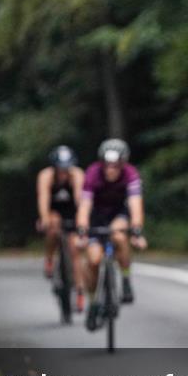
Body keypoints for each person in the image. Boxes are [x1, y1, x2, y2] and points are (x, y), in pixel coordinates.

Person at [75, 138, 148, 330]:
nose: (111, 170)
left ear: (123, 164)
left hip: (118, 214)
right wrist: (82, 231)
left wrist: (137, 230)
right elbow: (84, 206)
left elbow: (135, 205)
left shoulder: (131, 174)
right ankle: (93, 303)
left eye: (116, 166)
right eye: (107, 165)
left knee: (118, 235)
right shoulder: (92, 174)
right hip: (96, 218)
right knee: (93, 260)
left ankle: (125, 280)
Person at [36, 145, 86, 308]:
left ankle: (79, 290)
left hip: (73, 213)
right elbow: (43, 198)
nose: (63, 172)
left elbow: (80, 200)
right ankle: (50, 258)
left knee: (75, 250)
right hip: (54, 212)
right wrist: (44, 218)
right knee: (53, 224)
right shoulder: (46, 176)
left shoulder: (77, 175)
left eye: (66, 169)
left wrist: (82, 223)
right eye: (60, 169)